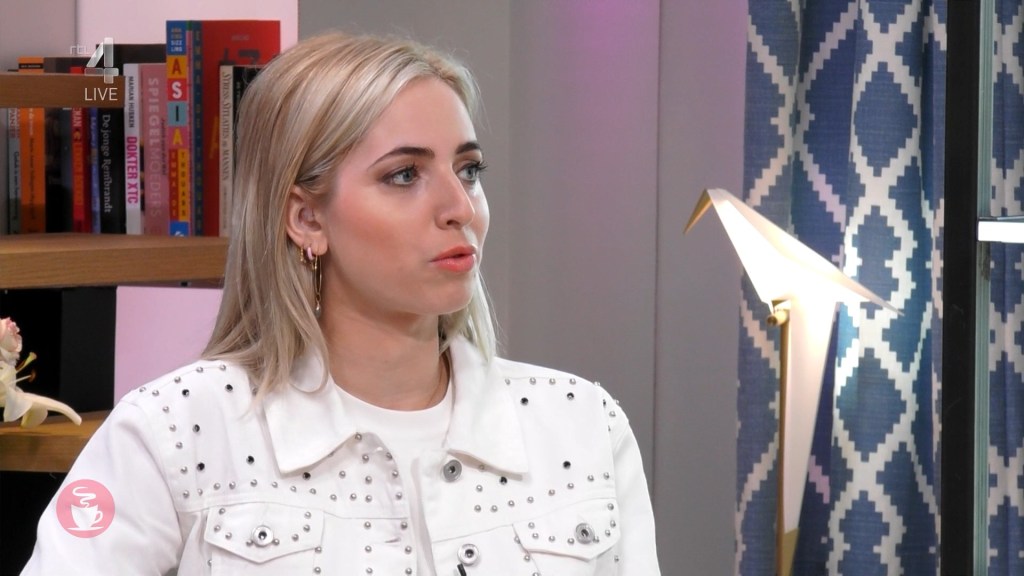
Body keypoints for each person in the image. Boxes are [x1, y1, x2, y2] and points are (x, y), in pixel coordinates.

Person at [23, 32, 661, 575]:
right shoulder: (173, 431)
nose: (460, 208)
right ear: (306, 219)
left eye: (468, 171)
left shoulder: (583, 424)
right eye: (404, 175)